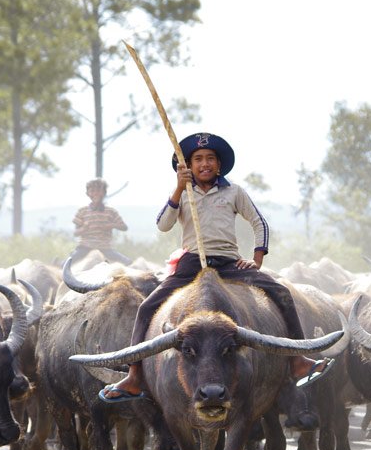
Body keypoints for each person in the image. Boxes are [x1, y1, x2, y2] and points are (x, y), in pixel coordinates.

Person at [99, 132, 333, 402]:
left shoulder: (234, 191)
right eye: (198, 159)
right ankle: (135, 375)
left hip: (228, 261)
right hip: (191, 262)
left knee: (282, 293)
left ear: (219, 165)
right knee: (146, 308)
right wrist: (178, 188)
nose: (205, 163)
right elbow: (163, 225)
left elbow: (259, 223)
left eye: (210, 158)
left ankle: (298, 361)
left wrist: (257, 258)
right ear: (187, 166)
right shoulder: (182, 193)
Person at [70, 178, 132, 265]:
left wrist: (111, 225)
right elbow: (76, 233)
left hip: (105, 249)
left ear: (104, 193)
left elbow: (124, 227)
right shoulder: (82, 211)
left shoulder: (111, 211)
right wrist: (84, 228)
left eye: (99, 191)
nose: (96, 193)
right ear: (87, 193)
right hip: (84, 248)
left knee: (128, 263)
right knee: (65, 264)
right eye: (92, 191)